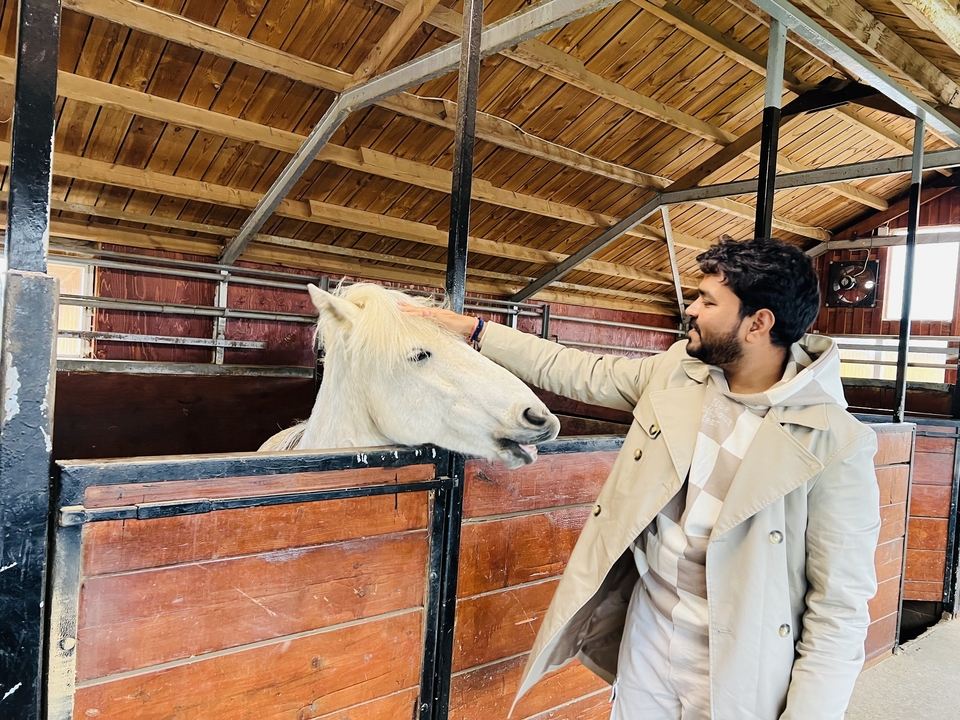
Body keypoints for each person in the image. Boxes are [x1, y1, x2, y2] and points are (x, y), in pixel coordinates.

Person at [404, 237, 880, 720]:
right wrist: (474, 330)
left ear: (758, 324)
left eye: (709, 301)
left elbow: (839, 605)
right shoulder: (678, 371)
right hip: (650, 632)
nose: (691, 309)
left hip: (741, 664)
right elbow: (575, 369)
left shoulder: (836, 443)